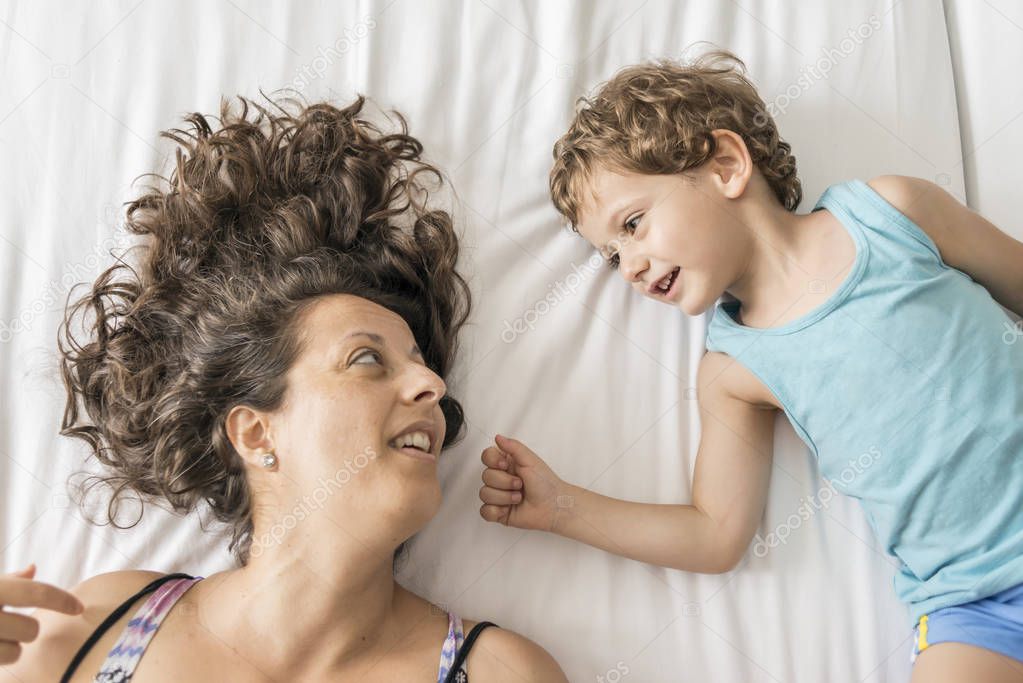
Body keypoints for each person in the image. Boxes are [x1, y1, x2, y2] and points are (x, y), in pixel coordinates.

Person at [477, 48, 1023, 682]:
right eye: (610, 256)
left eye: (633, 224)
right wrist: (561, 507)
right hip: (970, 605)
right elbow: (716, 533)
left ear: (727, 165)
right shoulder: (734, 371)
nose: (627, 266)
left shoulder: (893, 213)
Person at [2, 96, 566, 682]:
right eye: (367, 358)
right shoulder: (95, 627)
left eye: (423, 365)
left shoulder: (502, 672)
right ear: (255, 432)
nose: (430, 384)